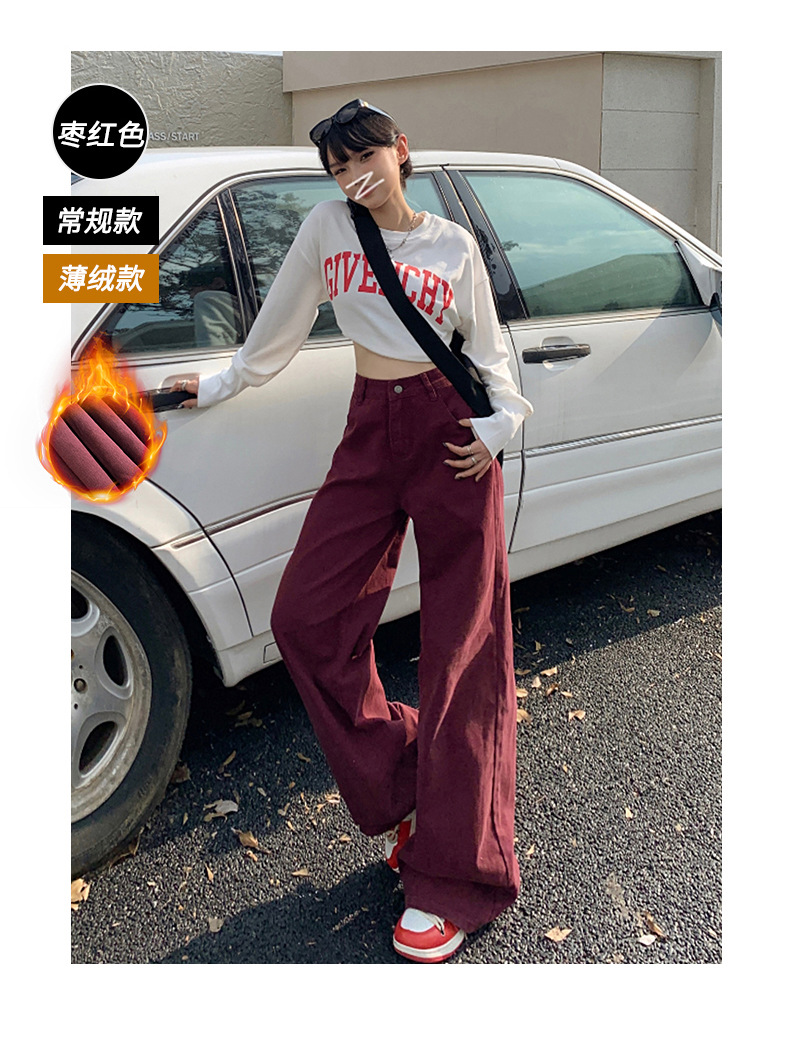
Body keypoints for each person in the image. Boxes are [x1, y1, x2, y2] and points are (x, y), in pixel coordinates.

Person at [177, 99, 534, 963]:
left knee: (463, 652)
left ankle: (459, 876)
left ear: (399, 150)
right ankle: (413, 773)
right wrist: (219, 383)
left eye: (363, 156)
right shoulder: (327, 230)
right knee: (307, 616)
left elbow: (490, 354)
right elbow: (275, 332)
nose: (353, 176)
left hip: (453, 434)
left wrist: (499, 426)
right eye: (338, 167)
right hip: (371, 425)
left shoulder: (452, 244)